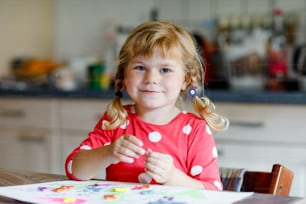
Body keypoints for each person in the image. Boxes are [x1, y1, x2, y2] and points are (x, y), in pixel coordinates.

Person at [65, 21, 229, 190]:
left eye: (165, 70)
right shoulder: (116, 120)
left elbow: (213, 191)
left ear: (185, 80)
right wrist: (108, 152)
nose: (151, 78)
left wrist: (172, 177)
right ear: (124, 76)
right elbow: (74, 169)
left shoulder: (196, 130)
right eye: (140, 67)